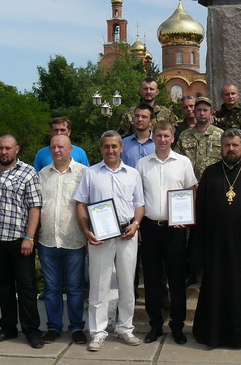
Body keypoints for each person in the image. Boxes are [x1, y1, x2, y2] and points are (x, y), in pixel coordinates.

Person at [191, 129, 241, 348]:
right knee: (215, 288)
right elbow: (201, 211)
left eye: (235, 145)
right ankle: (213, 335)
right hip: (216, 243)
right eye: (226, 145)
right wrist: (198, 249)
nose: (230, 149)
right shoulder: (210, 173)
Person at [74, 131, 145, 352]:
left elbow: (139, 205)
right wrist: (86, 231)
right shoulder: (91, 173)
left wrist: (136, 224)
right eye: (106, 146)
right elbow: (80, 204)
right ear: (101, 148)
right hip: (100, 236)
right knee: (99, 285)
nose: (111, 150)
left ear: (121, 148)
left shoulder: (132, 174)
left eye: (114, 146)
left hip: (126, 233)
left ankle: (125, 328)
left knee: (127, 284)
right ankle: (98, 332)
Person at [0, 135, 44, 349]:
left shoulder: (28, 172)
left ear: (17, 149)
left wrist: (29, 237)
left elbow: (35, 207)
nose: (3, 152)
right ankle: (7, 327)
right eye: (0, 148)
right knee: (3, 286)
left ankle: (32, 330)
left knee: (26, 287)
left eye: (8, 148)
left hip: (19, 240)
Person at [135, 121, 197, 345]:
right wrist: (138, 224)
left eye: (166, 136)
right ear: (153, 138)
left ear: (173, 138)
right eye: (159, 136)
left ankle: (177, 326)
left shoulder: (183, 162)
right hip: (150, 228)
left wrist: (186, 216)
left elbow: (191, 190)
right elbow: (137, 197)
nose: (162, 139)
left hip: (175, 230)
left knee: (177, 281)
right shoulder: (142, 164)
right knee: (151, 281)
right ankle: (155, 325)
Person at [37, 134, 88, 345]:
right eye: (53, 147)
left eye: (61, 147)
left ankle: (76, 327)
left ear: (70, 149)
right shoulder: (42, 174)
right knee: (51, 289)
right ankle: (54, 327)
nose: (56, 150)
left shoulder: (84, 174)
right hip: (47, 240)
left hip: (74, 240)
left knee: (75, 289)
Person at [174, 97, 223, 180]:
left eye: (205, 110)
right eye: (199, 110)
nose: (202, 113)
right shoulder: (184, 135)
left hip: (214, 181)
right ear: (194, 112)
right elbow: (176, 158)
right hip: (190, 183)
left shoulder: (220, 134)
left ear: (211, 112)